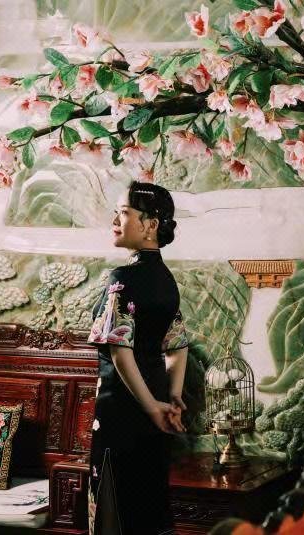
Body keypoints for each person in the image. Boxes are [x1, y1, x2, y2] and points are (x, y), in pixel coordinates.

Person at [86, 180, 190, 535]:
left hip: (123, 407)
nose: (115, 221)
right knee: (147, 503)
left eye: (124, 213)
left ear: (151, 225)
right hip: (156, 403)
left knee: (116, 503)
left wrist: (150, 407)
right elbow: (178, 345)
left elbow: (120, 352)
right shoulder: (166, 280)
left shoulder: (123, 277)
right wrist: (171, 398)